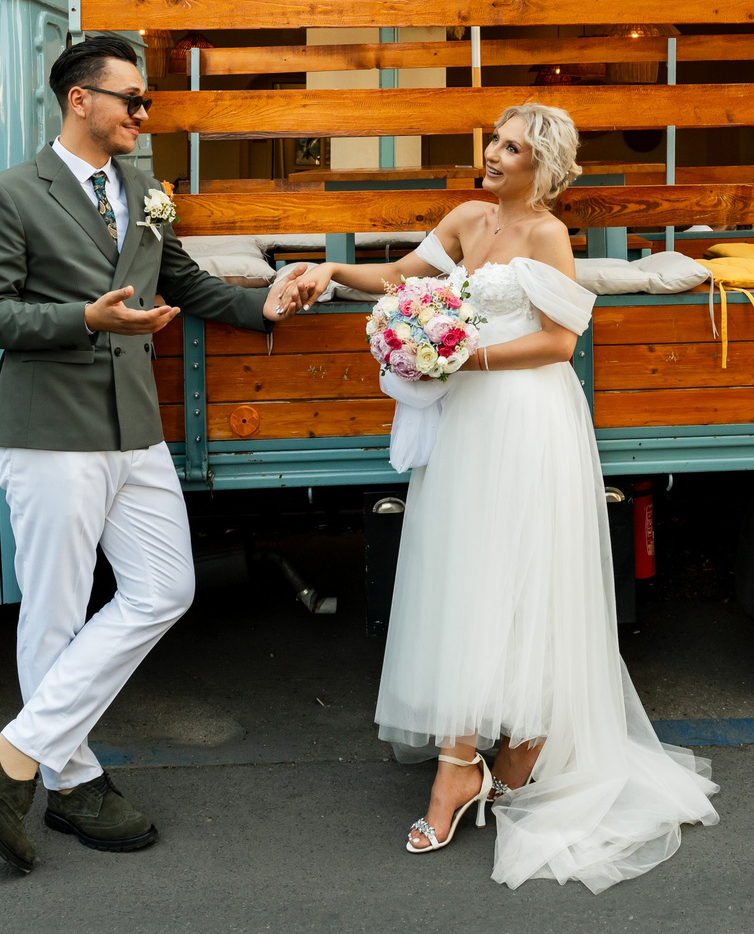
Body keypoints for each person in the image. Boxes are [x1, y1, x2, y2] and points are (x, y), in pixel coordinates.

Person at [280, 105, 717, 891]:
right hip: (465, 426)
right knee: (463, 579)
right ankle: (468, 759)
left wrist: (460, 353)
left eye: (511, 146)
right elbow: (402, 278)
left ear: (541, 165)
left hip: (524, 418)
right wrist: (332, 272)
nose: (492, 153)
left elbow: (559, 340)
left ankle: (506, 750)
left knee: (520, 581)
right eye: (493, 139)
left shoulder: (547, 234)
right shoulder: (466, 218)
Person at [0, 32, 304, 874]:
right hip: (50, 428)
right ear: (81, 100)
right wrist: (85, 319)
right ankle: (70, 782)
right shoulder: (8, 194)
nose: (145, 114)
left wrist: (267, 305)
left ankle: (11, 755)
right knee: (56, 609)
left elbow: (180, 278)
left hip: (135, 427)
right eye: (132, 100)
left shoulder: (143, 189)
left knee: (164, 586)